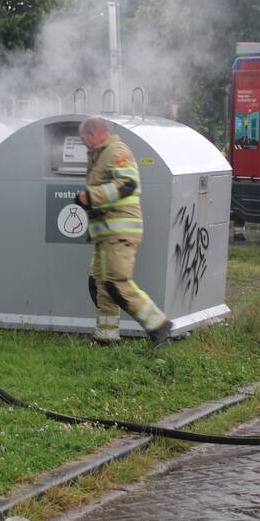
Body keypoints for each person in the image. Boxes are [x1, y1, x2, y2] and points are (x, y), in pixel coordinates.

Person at [76, 116, 172, 347]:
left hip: (119, 232)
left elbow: (128, 184)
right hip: (105, 235)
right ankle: (106, 338)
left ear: (94, 133)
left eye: (83, 139)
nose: (83, 144)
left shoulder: (117, 151)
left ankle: (159, 325)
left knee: (116, 283)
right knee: (101, 284)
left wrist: (92, 196)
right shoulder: (99, 156)